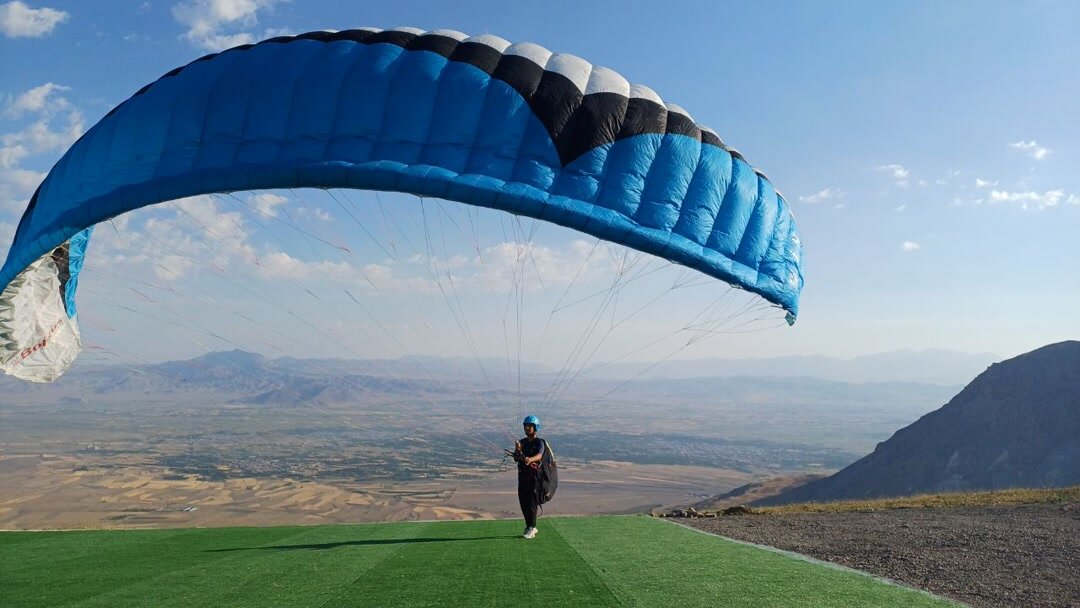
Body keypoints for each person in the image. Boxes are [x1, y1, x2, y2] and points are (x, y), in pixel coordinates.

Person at [512, 414, 545, 539]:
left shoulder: (539, 442)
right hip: (523, 476)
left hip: (535, 477)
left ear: (535, 427)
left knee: (531, 501)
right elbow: (516, 458)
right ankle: (529, 525)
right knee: (523, 501)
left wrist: (529, 460)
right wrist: (517, 449)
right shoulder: (522, 442)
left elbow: (539, 456)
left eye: (530, 426)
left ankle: (532, 526)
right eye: (526, 426)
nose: (527, 428)